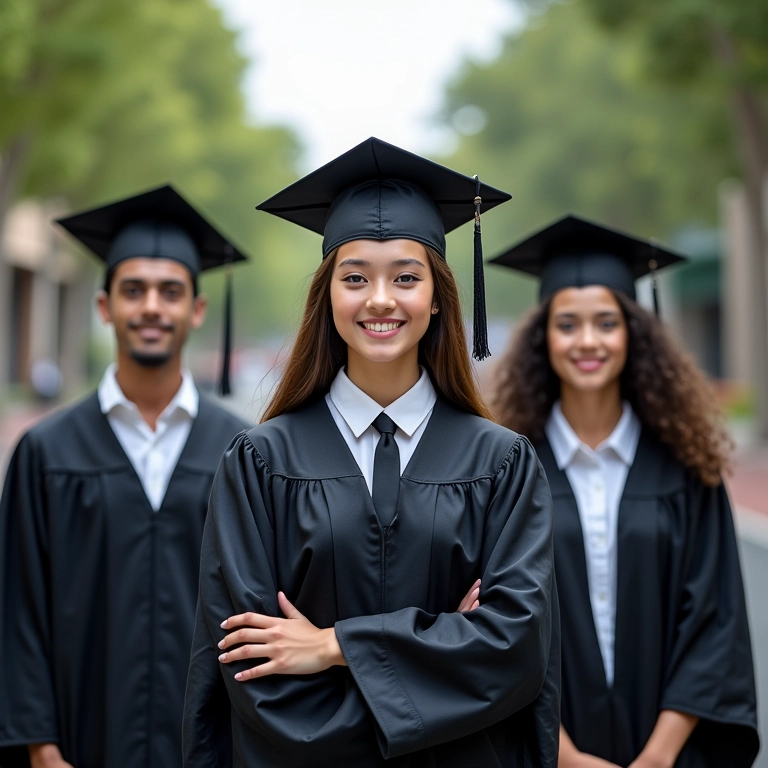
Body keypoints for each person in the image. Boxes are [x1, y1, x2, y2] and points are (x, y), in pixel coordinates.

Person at [183, 137, 560, 767]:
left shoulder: (501, 465)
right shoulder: (259, 462)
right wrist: (448, 646)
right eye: (354, 277)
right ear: (327, 297)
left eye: (406, 278)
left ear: (437, 296)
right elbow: (248, 663)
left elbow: (516, 650)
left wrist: (332, 647)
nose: (380, 299)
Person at [488, 214, 759, 768]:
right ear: (543, 336)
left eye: (606, 323)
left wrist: (657, 758)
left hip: (670, 751)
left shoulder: (685, 469)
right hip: (546, 750)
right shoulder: (511, 470)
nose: (588, 341)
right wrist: (564, 756)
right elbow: (494, 621)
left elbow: (714, 620)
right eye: (568, 324)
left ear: (634, 332)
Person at [0, 185, 250, 768]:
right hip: (77, 746)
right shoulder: (47, 450)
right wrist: (40, 747)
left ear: (196, 309)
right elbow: (18, 610)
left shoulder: (242, 452)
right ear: (105, 306)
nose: (151, 308)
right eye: (133, 290)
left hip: (209, 749)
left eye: (170, 291)